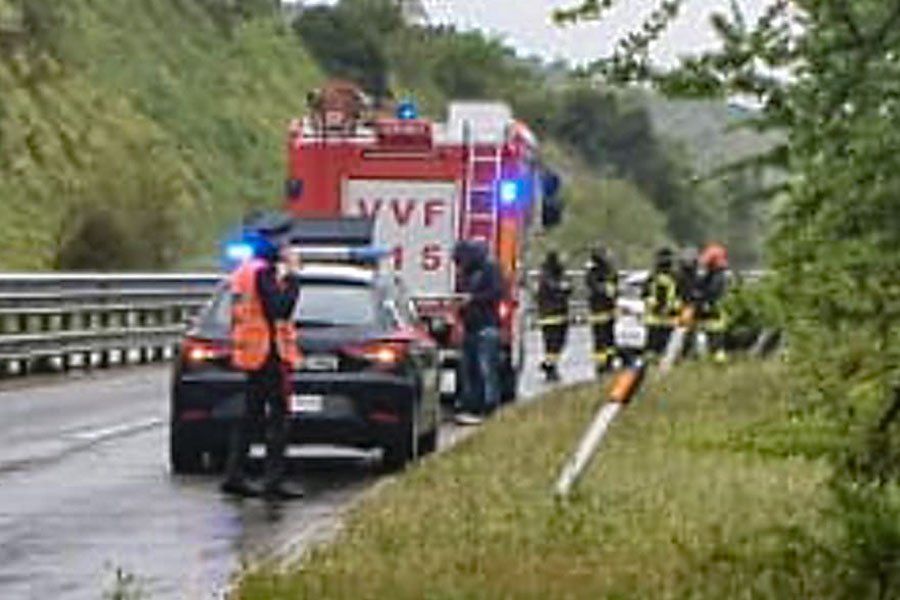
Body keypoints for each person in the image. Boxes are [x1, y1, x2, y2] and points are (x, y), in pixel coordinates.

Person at [222, 232, 305, 500]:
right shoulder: (263, 273)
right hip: (269, 353)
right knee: (278, 417)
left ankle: (234, 475)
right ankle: (273, 481)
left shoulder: (244, 271)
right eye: (285, 247)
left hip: (251, 351)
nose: (288, 250)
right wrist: (293, 277)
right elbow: (280, 308)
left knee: (251, 415)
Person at [453, 240, 504, 425]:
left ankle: (489, 408)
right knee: (471, 370)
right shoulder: (465, 273)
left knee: (486, 370)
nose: (459, 266)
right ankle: (473, 406)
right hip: (470, 327)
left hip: (486, 327)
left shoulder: (490, 269)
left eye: (460, 261)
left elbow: (497, 293)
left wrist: (473, 299)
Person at [536, 250, 572, 382]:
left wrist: (566, 287)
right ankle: (550, 368)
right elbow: (555, 288)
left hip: (560, 314)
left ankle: (549, 365)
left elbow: (568, 288)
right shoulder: (546, 276)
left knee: (558, 344)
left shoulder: (559, 274)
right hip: (550, 316)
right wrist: (563, 288)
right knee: (552, 344)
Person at [585, 244, 618, 374]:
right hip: (598, 310)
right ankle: (601, 365)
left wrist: (612, 291)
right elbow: (595, 287)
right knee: (600, 339)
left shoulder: (609, 271)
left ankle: (609, 361)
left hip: (608, 309)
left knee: (609, 339)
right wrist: (606, 289)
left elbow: (614, 285)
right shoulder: (593, 272)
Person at [643, 247, 681, 359]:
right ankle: (652, 362)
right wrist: (652, 303)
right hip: (655, 318)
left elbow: (680, 295)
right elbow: (645, 294)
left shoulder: (675, 277)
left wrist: (672, 307)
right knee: (652, 347)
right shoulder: (653, 277)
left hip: (668, 318)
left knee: (664, 347)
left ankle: (659, 362)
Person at [696, 243, 730, 364]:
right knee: (712, 341)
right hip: (713, 314)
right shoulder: (714, 275)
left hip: (715, 314)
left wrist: (701, 298)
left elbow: (711, 293)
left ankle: (718, 362)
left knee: (716, 341)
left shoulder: (718, 278)